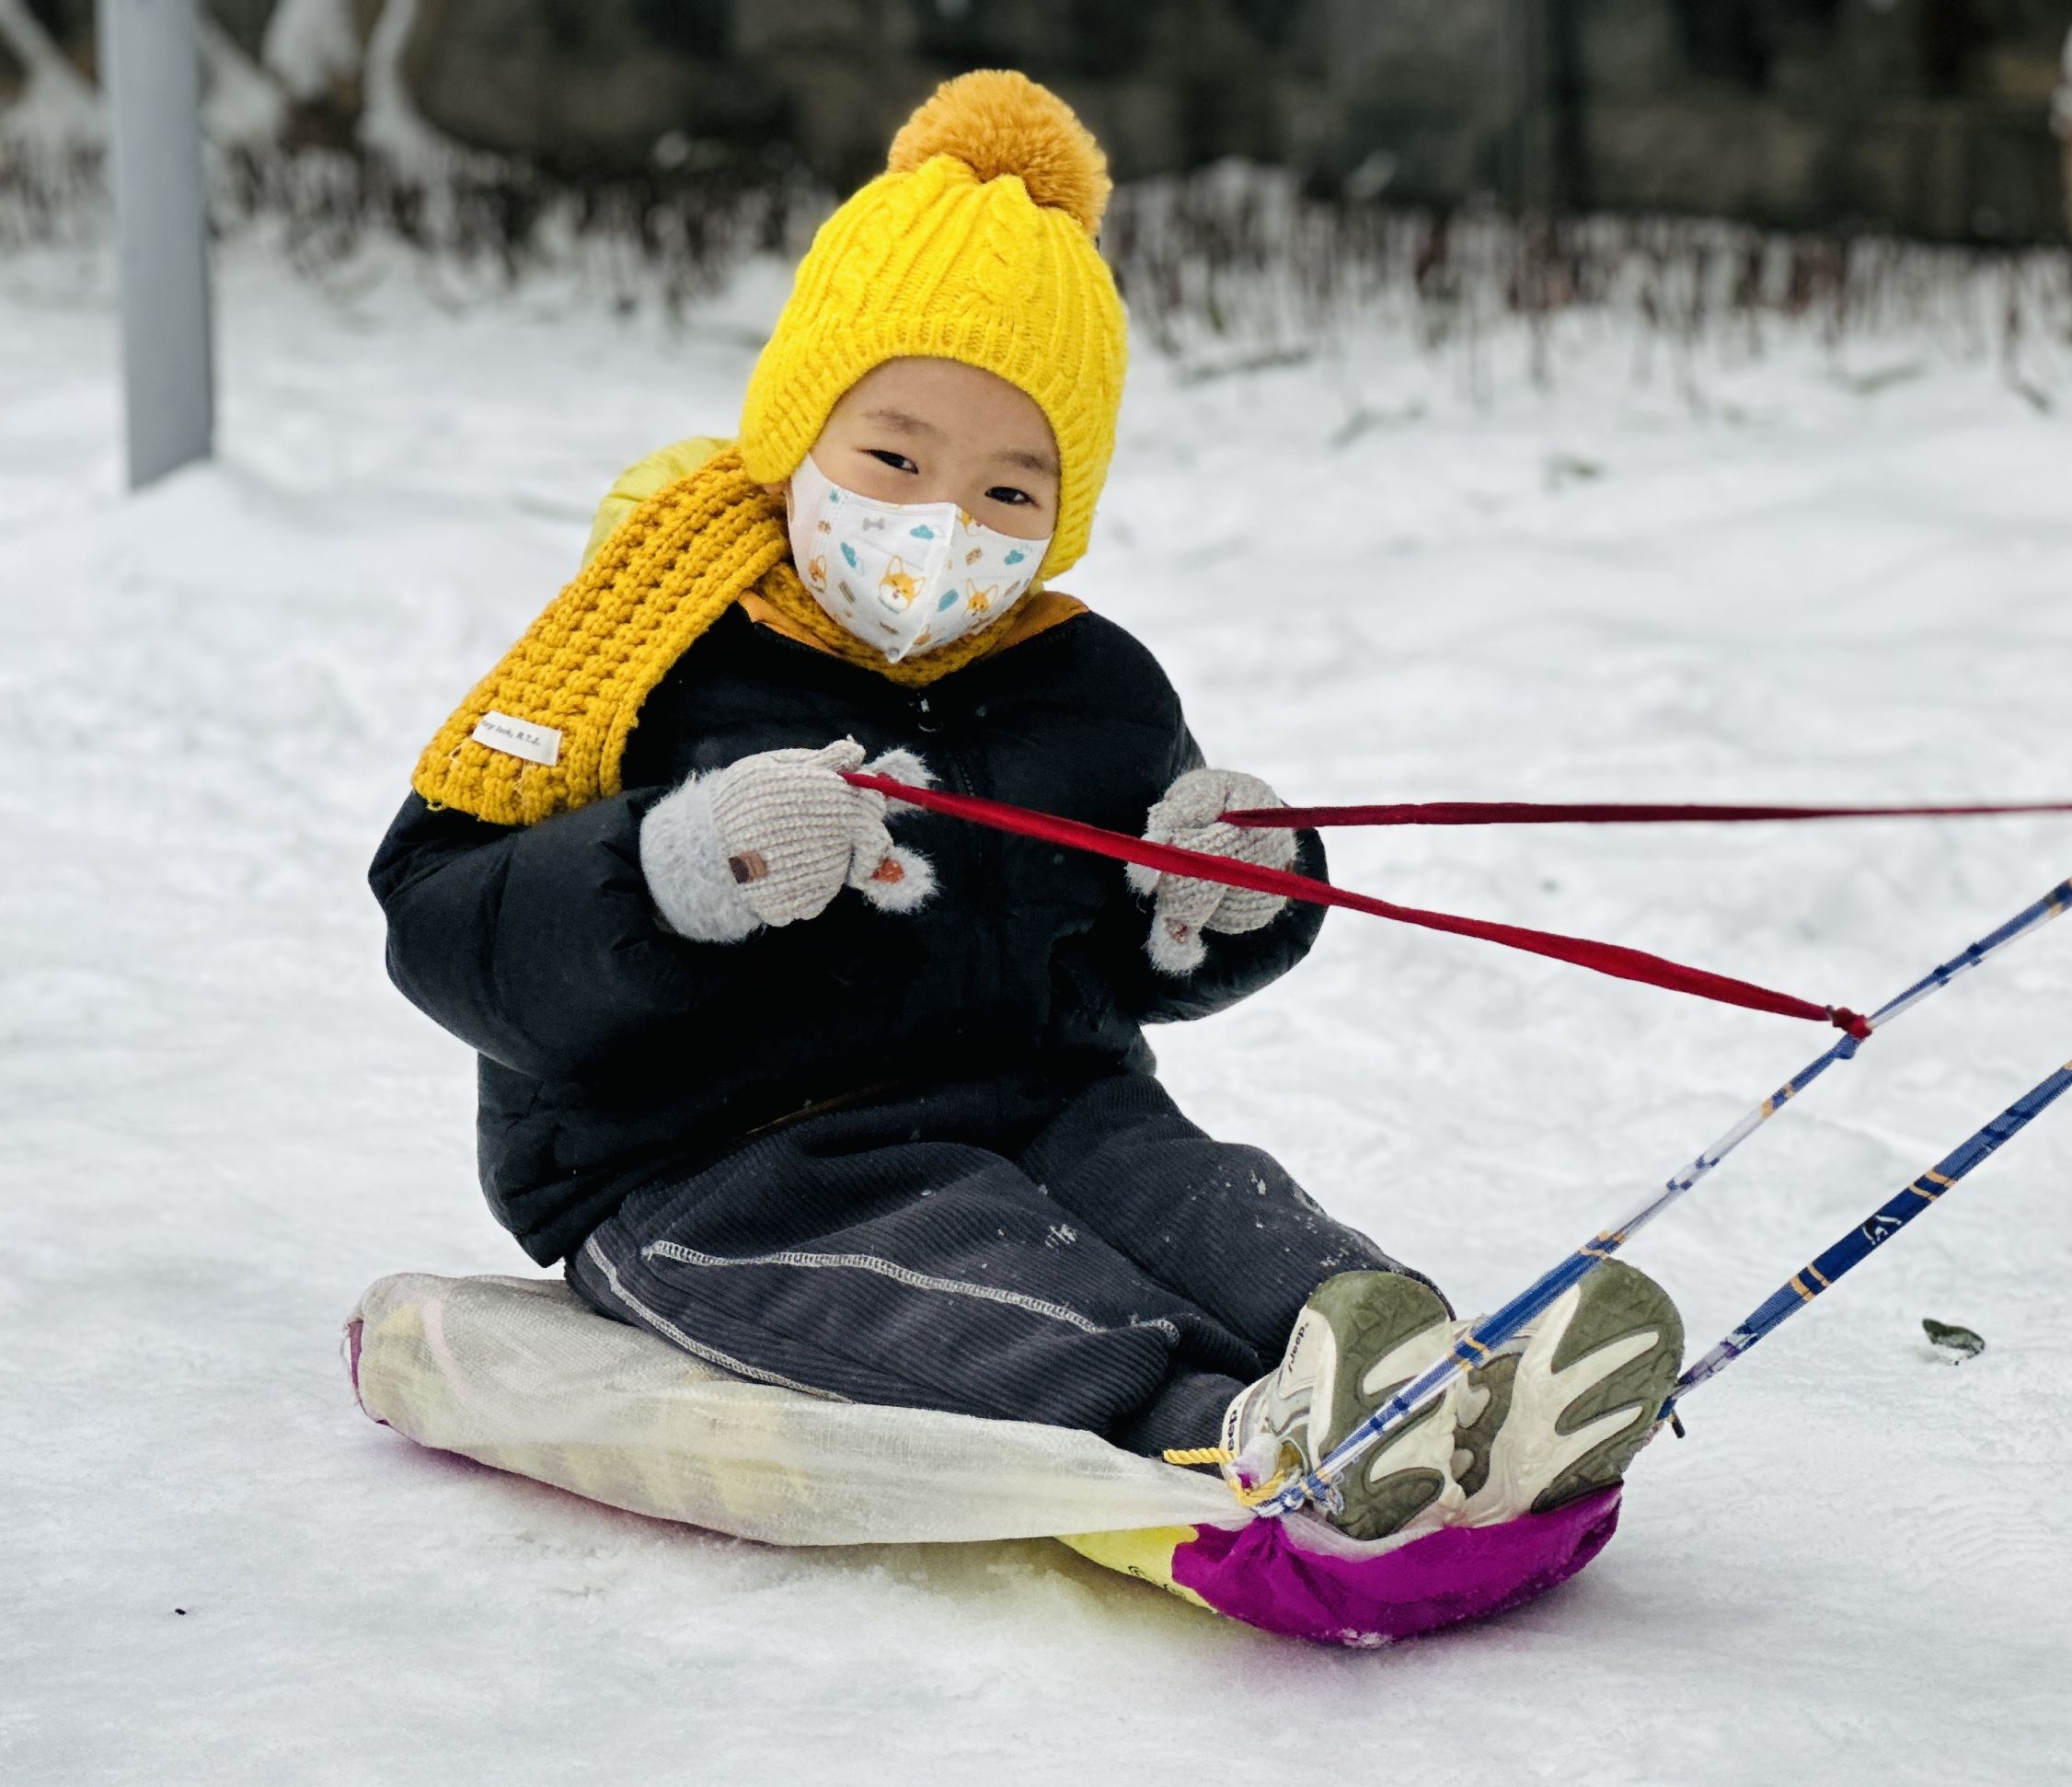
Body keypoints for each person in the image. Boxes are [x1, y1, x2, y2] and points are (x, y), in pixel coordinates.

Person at [370, 71, 1679, 1540]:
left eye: (1011, 491)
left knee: (1205, 1199)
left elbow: (1120, 944)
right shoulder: (643, 649)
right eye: (894, 458)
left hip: (1050, 1103)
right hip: (716, 1168)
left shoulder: (1088, 681)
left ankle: (1437, 1383)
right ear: (799, 428)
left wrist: (1224, 893)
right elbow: (438, 920)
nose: (944, 522)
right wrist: (675, 868)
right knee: (972, 1280)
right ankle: (1238, 1435)